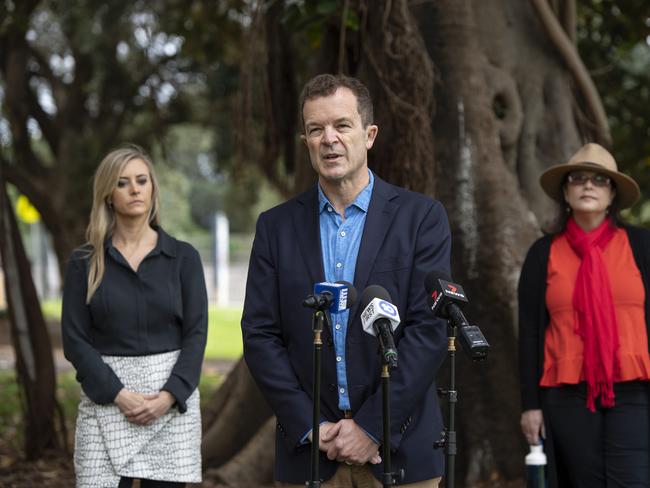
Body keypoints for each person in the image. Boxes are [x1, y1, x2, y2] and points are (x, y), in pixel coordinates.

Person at [241, 74, 451, 487]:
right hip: (311, 455)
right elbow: (260, 334)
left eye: (342, 125)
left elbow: (428, 330)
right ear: (305, 142)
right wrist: (310, 425)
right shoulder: (275, 227)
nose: (329, 139)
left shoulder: (421, 218)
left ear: (369, 135)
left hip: (400, 451)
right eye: (316, 129)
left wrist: (373, 427)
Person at [61, 145, 208, 488]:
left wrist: (170, 395)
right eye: (123, 183)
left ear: (153, 188)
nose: (135, 189)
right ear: (109, 195)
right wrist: (118, 393)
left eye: (142, 180)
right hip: (106, 403)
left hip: (170, 407)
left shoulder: (184, 258)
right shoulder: (84, 262)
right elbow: (74, 339)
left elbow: (196, 334)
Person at [518, 143, 650, 487]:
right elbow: (530, 333)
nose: (588, 185)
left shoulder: (641, 246)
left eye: (599, 180)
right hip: (567, 393)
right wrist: (530, 406)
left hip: (634, 391)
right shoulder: (542, 253)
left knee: (633, 481)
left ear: (613, 194)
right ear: (565, 191)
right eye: (578, 178)